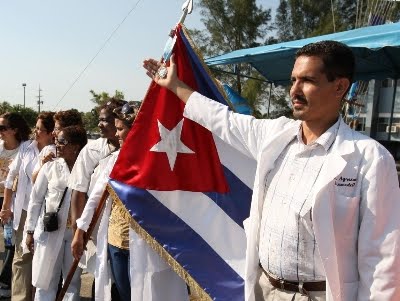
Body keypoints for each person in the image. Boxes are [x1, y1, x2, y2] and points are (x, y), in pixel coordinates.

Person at [143, 40, 400, 301]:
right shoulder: (276, 135)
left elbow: (381, 254)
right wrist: (175, 85)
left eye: (307, 80)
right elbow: (223, 120)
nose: (294, 91)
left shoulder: (369, 158)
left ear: (340, 86)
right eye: (293, 80)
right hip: (263, 289)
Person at [71, 102, 189, 301]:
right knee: (125, 294)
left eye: (120, 129)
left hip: (149, 243)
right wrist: (80, 231)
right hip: (116, 241)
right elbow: (95, 197)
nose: (116, 134)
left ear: (135, 130)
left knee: (149, 294)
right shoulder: (113, 161)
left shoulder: (159, 162)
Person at [25, 126, 87, 301]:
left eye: (62, 142)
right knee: (45, 280)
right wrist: (30, 231)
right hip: (50, 231)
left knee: (72, 281)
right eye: (56, 141)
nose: (56, 145)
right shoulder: (50, 167)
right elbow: (35, 200)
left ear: (75, 146)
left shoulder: (88, 168)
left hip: (76, 234)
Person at [0, 112, 54, 301]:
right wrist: (6, 206)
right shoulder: (26, 147)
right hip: (24, 209)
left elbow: (38, 179)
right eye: (36, 127)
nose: (36, 132)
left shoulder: (55, 152)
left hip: (46, 212)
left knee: (42, 258)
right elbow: (10, 178)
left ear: (51, 133)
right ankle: (20, 298)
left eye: (41, 129)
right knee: (21, 256)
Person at [69, 99, 123, 232]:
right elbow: (79, 189)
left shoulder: (138, 150)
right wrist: (78, 227)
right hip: (94, 226)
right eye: (99, 120)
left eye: (105, 120)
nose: (99, 124)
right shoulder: (91, 150)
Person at [0, 112, 31, 299]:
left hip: (13, 202)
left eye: (3, 128)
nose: (0, 132)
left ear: (15, 130)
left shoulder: (25, 150)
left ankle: (6, 281)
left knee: (11, 243)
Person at [32, 109, 83, 183]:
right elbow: (34, 180)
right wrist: (43, 166)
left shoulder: (86, 157)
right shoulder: (48, 151)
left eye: (57, 129)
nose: (53, 133)